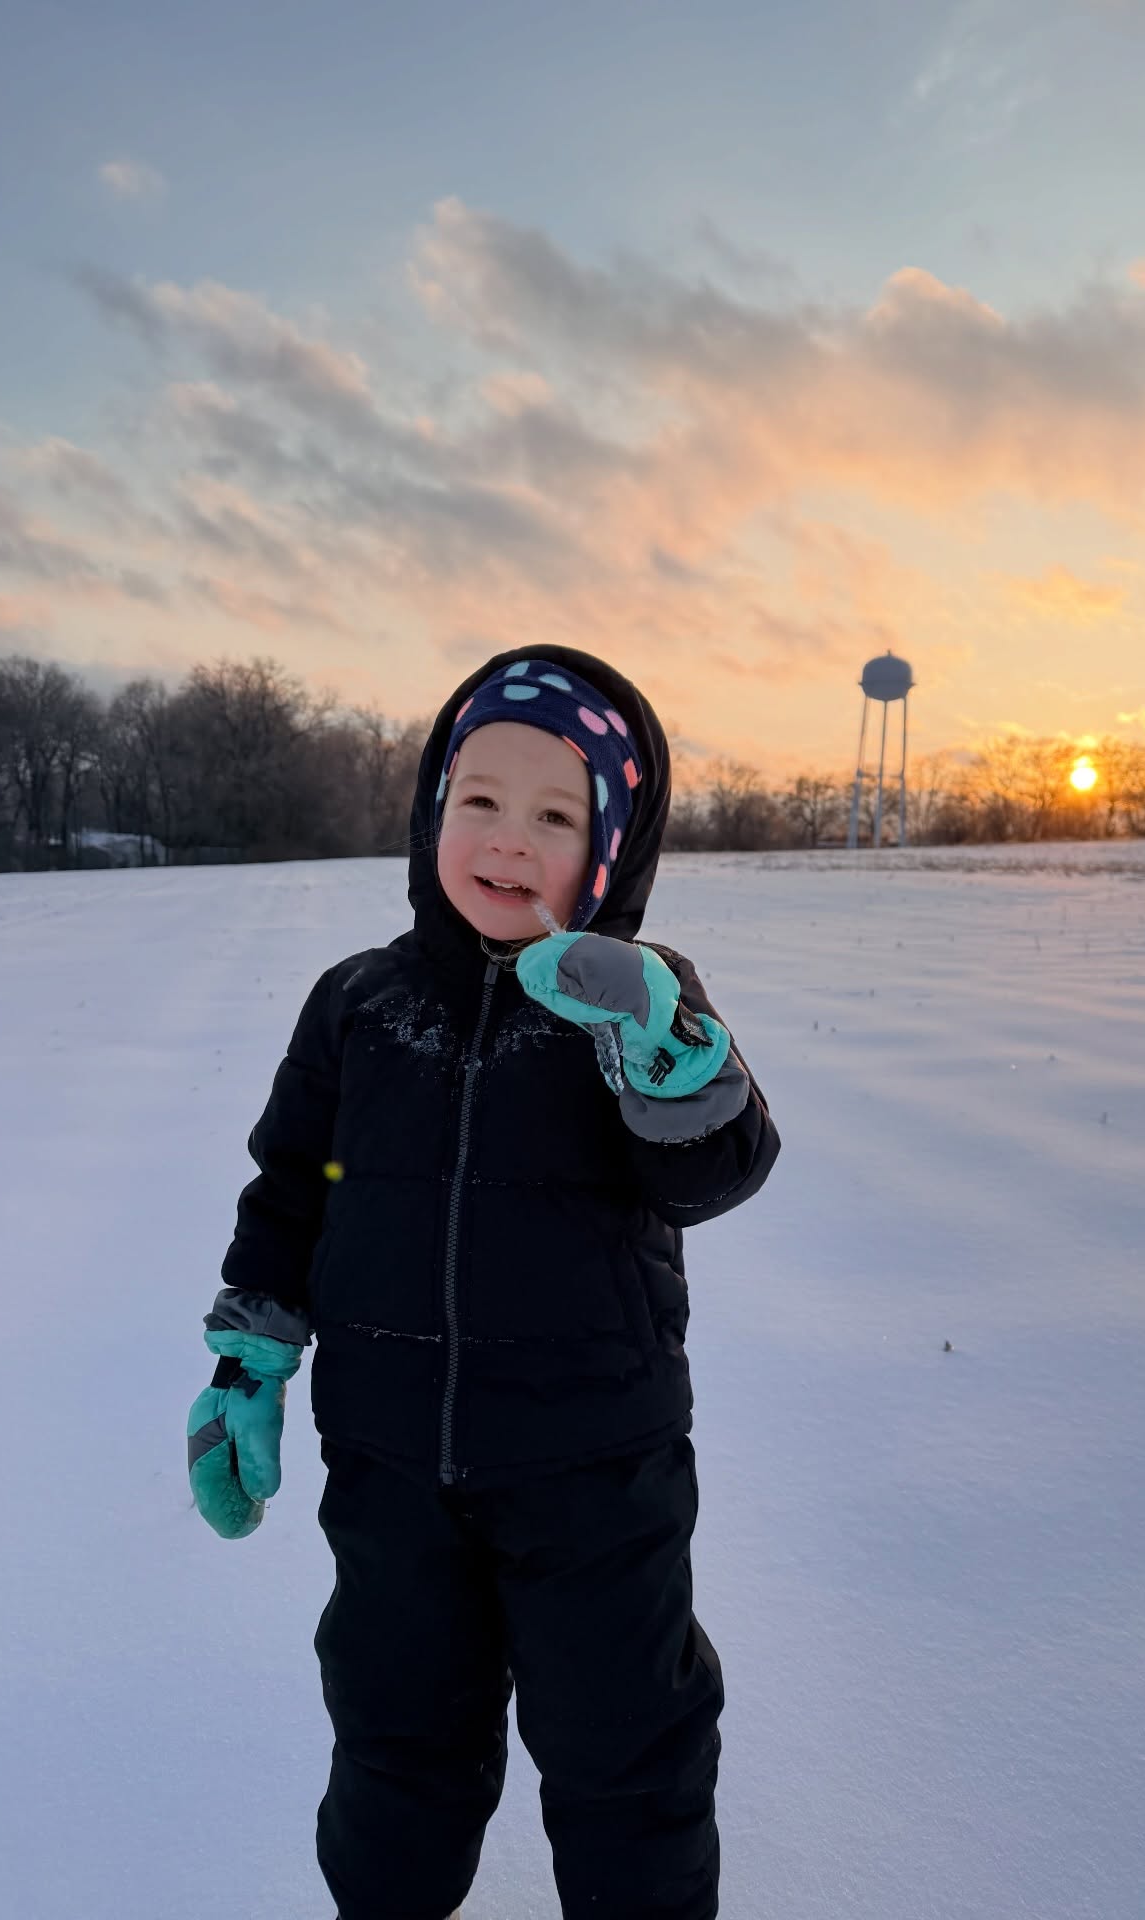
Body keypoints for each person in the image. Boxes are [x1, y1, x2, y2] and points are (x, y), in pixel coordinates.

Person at [186, 645, 782, 1920]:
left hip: (594, 1473)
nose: (510, 842)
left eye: (556, 816)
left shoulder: (632, 998)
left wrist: (659, 1046)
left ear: (609, 852)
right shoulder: (358, 1003)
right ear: (433, 813)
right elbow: (291, 1188)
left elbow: (717, 1168)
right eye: (482, 802)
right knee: (395, 1745)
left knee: (628, 1753)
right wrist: (249, 1358)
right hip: (392, 1470)